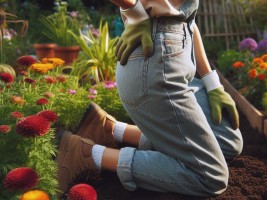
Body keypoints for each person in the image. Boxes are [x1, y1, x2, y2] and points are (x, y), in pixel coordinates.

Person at [56, 0, 243, 197]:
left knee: (228, 142)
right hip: (156, 65)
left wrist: (212, 83)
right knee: (210, 176)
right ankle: (86, 154)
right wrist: (134, 12)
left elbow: (187, 19)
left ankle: (112, 129)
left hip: (178, 56)